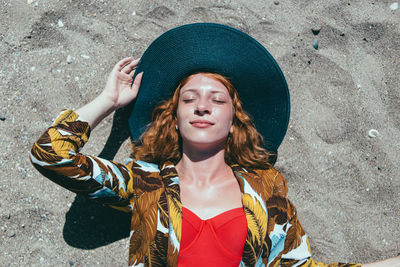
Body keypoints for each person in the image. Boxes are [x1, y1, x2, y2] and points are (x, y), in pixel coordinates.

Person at [29, 23, 399, 267]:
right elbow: (51, 155)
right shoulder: (145, 181)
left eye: (217, 101)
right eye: (188, 99)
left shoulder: (265, 189)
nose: (202, 105)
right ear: (173, 117)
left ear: (233, 119)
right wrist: (108, 102)